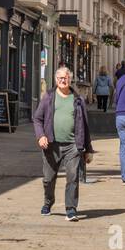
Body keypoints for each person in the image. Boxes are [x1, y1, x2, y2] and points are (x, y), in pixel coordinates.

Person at [32, 65, 94, 221]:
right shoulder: (48, 97)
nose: (63, 80)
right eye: (60, 78)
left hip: (73, 145)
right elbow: (37, 119)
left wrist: (88, 149)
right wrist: (41, 136)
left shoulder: (78, 100)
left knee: (72, 177)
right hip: (51, 145)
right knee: (48, 178)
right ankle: (48, 202)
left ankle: (71, 209)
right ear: (55, 80)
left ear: (70, 79)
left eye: (65, 78)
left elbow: (85, 125)